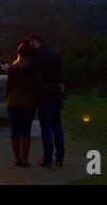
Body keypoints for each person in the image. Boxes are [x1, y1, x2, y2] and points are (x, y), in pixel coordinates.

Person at [27, 34, 66, 167]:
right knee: (57, 127)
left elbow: (31, 72)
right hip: (57, 96)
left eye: (30, 42)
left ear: (36, 41)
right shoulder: (55, 55)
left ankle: (47, 158)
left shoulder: (39, 56)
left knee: (46, 128)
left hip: (45, 97)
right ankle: (60, 157)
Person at [2, 40, 38, 167]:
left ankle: (17, 159)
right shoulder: (34, 69)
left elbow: (9, 85)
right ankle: (25, 159)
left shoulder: (13, 68)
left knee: (15, 131)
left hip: (13, 102)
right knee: (26, 131)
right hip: (29, 102)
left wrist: (6, 96)